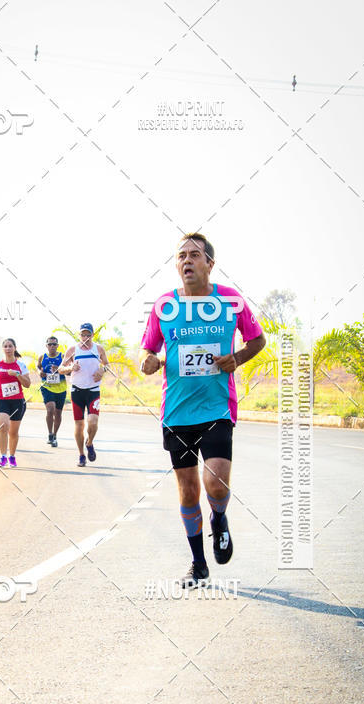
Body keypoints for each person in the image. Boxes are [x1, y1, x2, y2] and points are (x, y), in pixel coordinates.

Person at [139, 232, 266, 586]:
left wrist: (237, 358)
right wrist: (148, 361)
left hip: (216, 407)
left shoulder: (230, 301)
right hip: (177, 412)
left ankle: (219, 518)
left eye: (194, 255)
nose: (186, 261)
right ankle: (198, 565)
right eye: (181, 256)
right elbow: (145, 350)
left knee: (216, 482)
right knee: (189, 490)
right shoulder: (165, 305)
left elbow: (258, 339)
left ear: (210, 263)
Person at [59, 323, 109, 467]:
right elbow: (61, 369)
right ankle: (81, 455)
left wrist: (102, 370)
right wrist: (70, 367)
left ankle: (90, 442)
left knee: (93, 422)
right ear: (79, 335)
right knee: (79, 425)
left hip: (93, 390)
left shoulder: (98, 349)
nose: (85, 337)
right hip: (77, 391)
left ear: (93, 335)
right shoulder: (73, 350)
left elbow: (107, 365)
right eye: (83, 335)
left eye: (88, 335)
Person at [0, 338, 31, 467]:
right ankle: (2, 457)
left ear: (15, 348)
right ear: (3, 349)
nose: (8, 348)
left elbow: (28, 384)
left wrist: (17, 375)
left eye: (10, 346)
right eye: (5, 346)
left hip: (17, 401)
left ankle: (12, 456)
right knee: (3, 425)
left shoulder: (21, 365)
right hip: (1, 400)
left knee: (13, 432)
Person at [37, 336, 66, 447]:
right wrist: (40, 372)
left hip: (61, 388)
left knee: (58, 413)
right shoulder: (42, 357)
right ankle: (49, 433)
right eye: (50, 344)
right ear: (46, 346)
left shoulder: (62, 357)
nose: (52, 346)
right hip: (47, 386)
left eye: (54, 344)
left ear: (57, 345)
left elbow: (68, 372)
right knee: (50, 409)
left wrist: (59, 370)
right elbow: (38, 368)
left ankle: (54, 435)